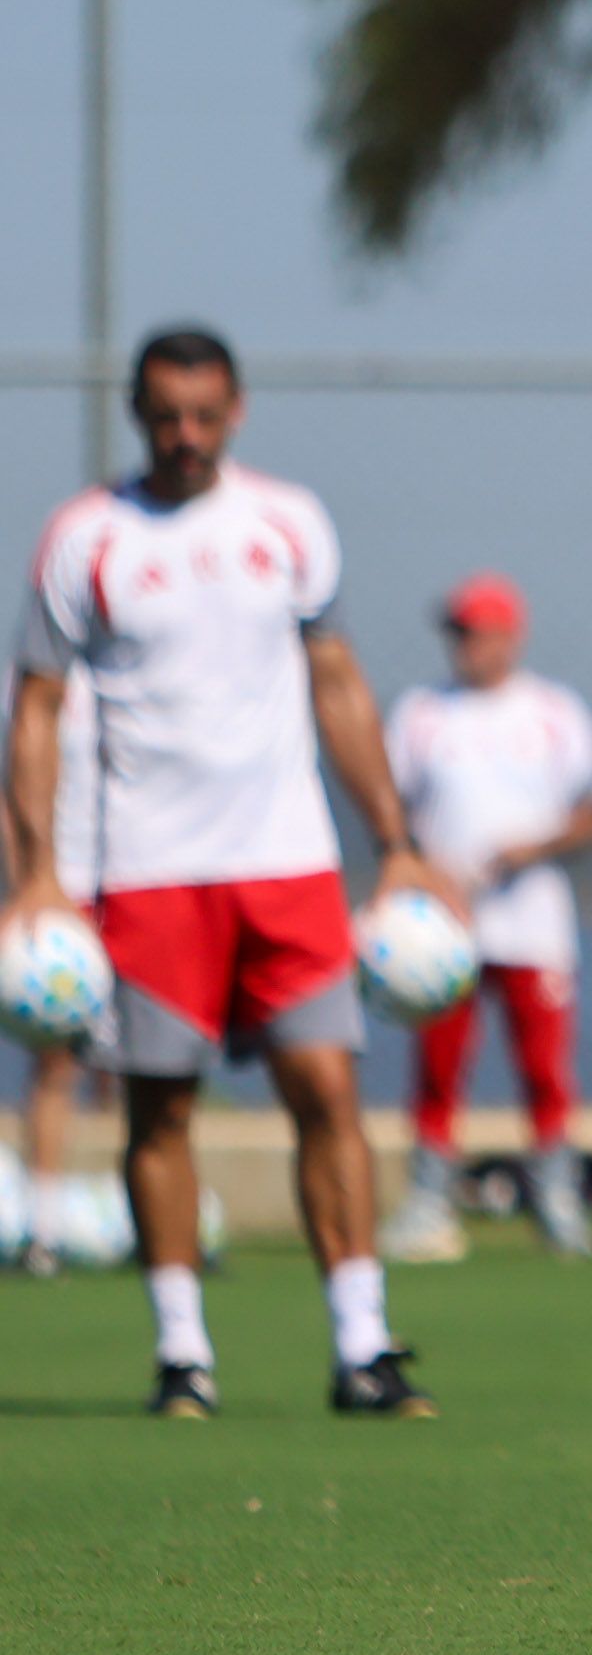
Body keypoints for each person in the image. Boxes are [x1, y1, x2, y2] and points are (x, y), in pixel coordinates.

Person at [6, 326, 451, 1419]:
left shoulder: (288, 523)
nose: (186, 436)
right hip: (148, 873)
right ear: (138, 413)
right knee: (160, 1112)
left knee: (328, 1089)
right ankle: (182, 1355)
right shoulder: (88, 537)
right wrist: (38, 875)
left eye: (205, 415)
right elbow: (38, 709)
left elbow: (337, 680)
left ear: (237, 409)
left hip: (286, 863)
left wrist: (392, 839)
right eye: (166, 416)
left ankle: (362, 1344)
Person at [379, 573, 592, 1263]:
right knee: (439, 1066)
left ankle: (557, 1199)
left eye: (477, 633)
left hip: (534, 923)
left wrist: (530, 851)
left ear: (511, 637)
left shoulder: (553, 712)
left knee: (543, 1067)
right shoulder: (422, 714)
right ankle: (427, 1201)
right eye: (457, 633)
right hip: (441, 927)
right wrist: (424, 873)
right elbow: (390, 812)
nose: (465, 647)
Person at [9, 669, 98, 1277]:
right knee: (55, 1063)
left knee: (151, 1066)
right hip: (61, 897)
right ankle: (42, 1228)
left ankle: (140, 1213)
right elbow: (10, 792)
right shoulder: (35, 685)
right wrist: (28, 885)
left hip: (142, 887)